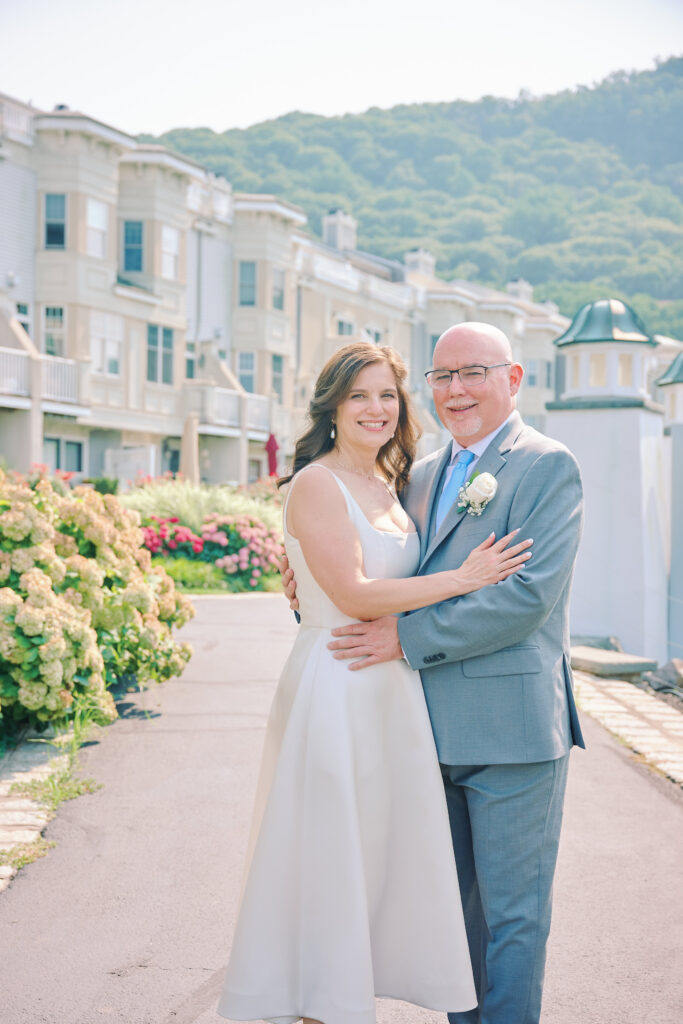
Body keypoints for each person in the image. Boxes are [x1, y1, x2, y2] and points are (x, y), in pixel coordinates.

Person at [218, 341, 533, 1024]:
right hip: (336, 686)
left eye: (387, 395)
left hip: (391, 689)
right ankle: (313, 1007)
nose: (375, 408)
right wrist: (464, 578)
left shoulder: (394, 485)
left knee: (376, 861)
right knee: (330, 857)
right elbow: (357, 595)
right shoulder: (315, 482)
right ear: (332, 405)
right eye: (359, 395)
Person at [291, 322, 585, 1024]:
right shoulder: (417, 475)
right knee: (452, 915)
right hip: (419, 730)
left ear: (511, 380)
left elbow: (524, 599)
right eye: (442, 375)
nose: (455, 390)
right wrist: (307, 573)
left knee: (514, 917)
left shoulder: (545, 465)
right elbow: (380, 568)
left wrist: (404, 641)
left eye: (472, 373)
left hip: (511, 733)